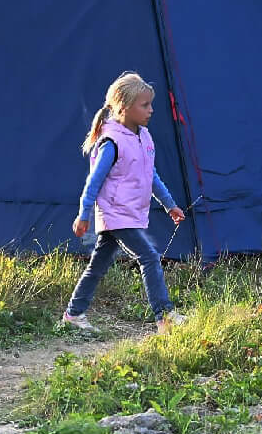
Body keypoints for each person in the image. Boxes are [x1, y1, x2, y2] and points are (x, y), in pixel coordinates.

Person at [63, 72, 187, 334]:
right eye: (145, 105)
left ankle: (73, 314)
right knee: (150, 257)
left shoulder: (144, 137)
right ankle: (164, 316)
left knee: (98, 264)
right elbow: (93, 182)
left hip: (130, 214)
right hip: (115, 214)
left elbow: (151, 176)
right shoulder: (111, 142)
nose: (151, 110)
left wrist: (170, 205)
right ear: (124, 107)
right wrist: (84, 214)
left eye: (151, 104)